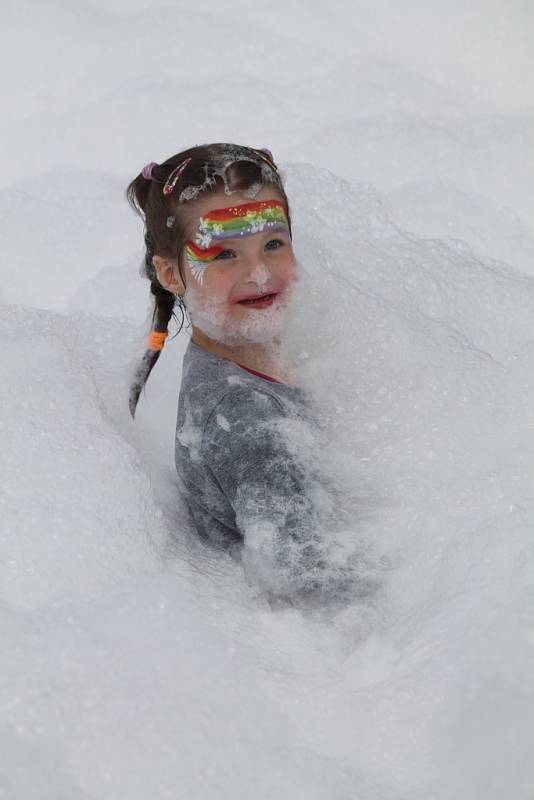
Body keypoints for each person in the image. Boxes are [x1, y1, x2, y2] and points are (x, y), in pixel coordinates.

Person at [126, 143, 338, 600]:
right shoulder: (245, 420)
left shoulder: (267, 360)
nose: (260, 274)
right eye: (223, 255)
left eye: (273, 244)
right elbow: (314, 590)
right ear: (171, 275)